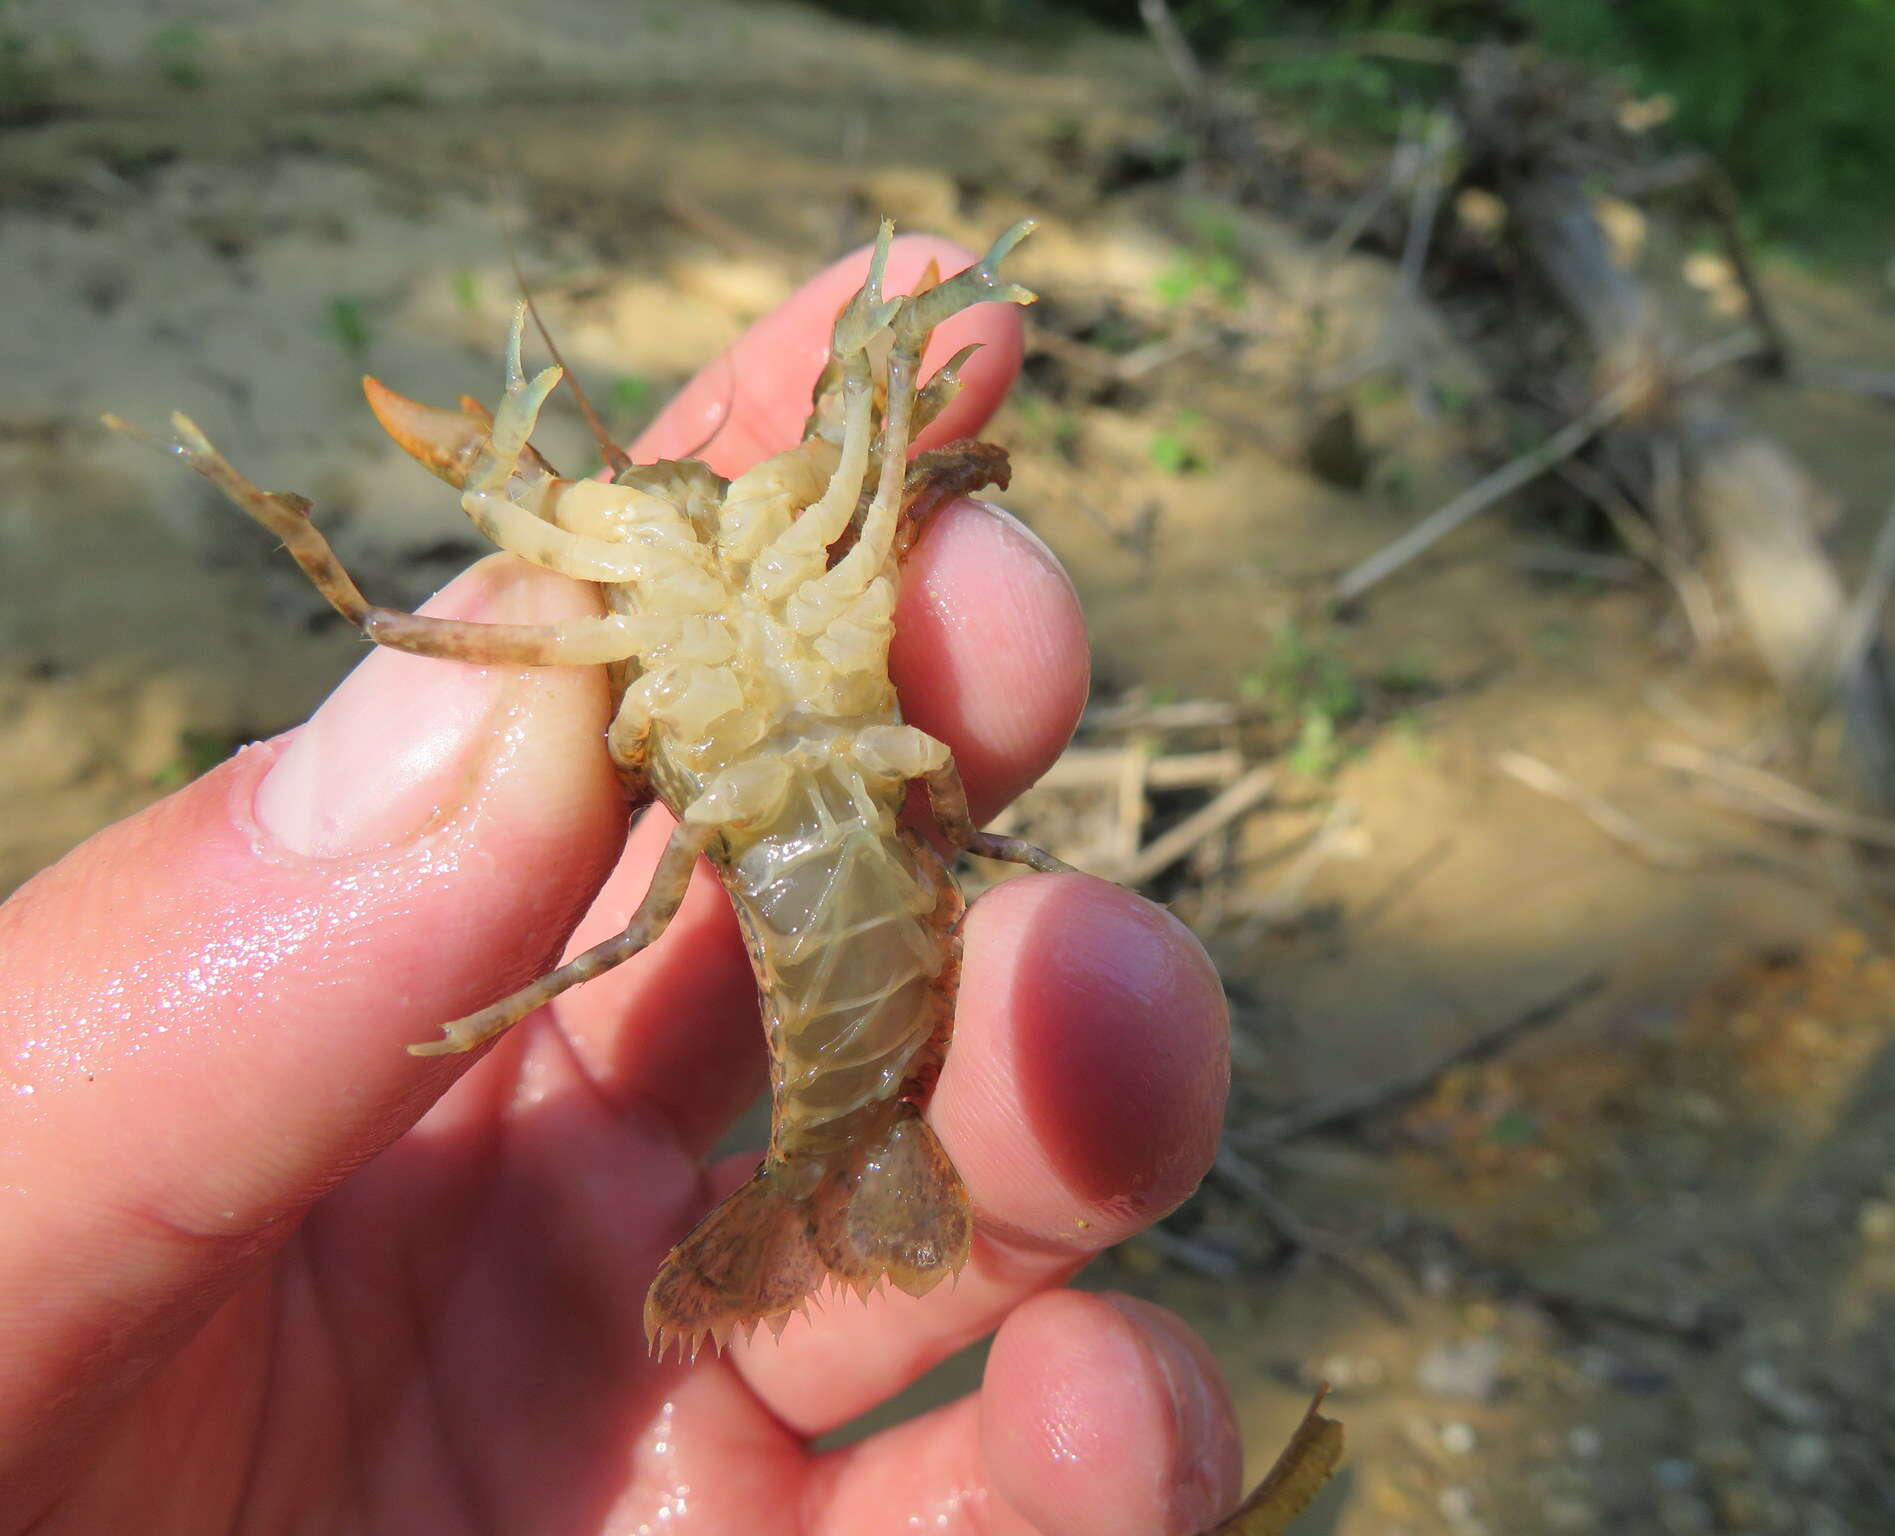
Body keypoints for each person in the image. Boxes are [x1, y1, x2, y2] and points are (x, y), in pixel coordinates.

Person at [0, 235, 1242, 1533]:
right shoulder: (730, 563)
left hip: (844, 835)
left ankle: (832, 1157)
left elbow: (878, 489)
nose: (675, 486)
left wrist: (903, 409)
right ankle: (833, 1157)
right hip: (840, 830)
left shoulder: (676, 566)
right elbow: (428, 639)